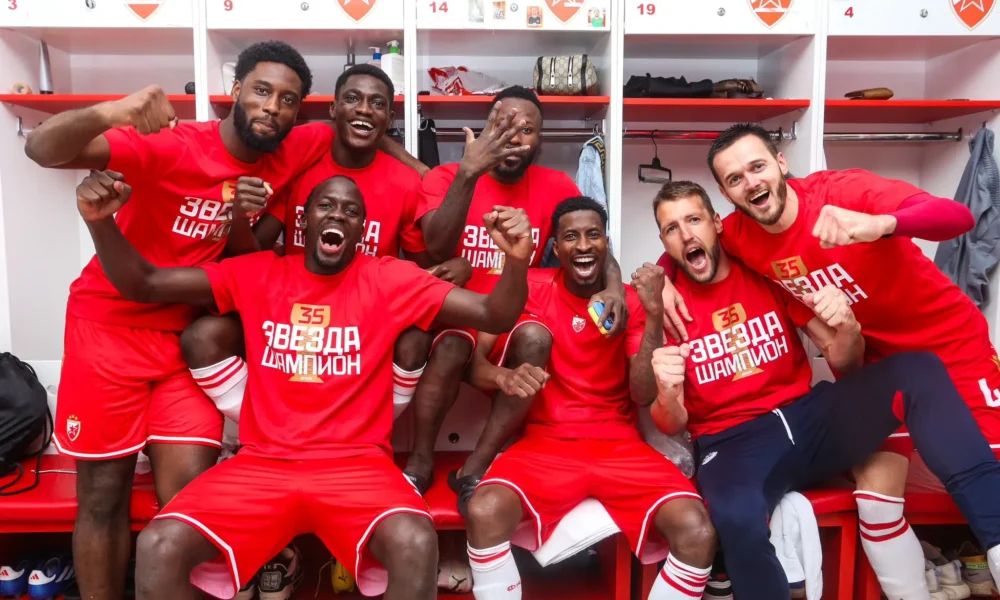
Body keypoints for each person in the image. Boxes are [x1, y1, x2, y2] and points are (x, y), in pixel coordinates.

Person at [74, 170, 537, 600]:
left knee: (416, 540)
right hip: (264, 462)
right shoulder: (259, 271)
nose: (338, 215)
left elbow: (494, 314)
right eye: (326, 206)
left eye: (351, 211)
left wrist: (516, 260)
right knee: (160, 544)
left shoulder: (389, 278)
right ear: (304, 219)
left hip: (356, 465)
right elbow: (144, 282)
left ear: (362, 230)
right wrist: (101, 224)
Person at [23, 41, 334, 600]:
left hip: (182, 345)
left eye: (289, 100)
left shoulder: (292, 149)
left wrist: (448, 171)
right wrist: (114, 111)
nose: (273, 107)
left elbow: (363, 130)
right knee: (102, 494)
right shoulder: (172, 146)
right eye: (262, 91)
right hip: (107, 328)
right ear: (235, 91)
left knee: (190, 493)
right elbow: (42, 149)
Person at [672, 121, 999, 596]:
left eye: (757, 166)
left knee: (985, 479)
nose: (751, 183)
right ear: (726, 194)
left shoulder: (843, 193)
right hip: (883, 369)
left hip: (951, 350)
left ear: (781, 164)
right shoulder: (740, 235)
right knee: (876, 499)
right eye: (735, 179)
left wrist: (881, 224)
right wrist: (659, 278)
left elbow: (957, 218)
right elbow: (686, 249)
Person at [178, 63, 469, 455]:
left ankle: (365, 432)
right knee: (203, 334)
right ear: (333, 110)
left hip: (359, 324)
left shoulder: (404, 181)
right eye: (352, 100)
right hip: (285, 317)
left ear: (389, 117)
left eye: (377, 104)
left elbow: (420, 263)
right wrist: (239, 221)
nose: (364, 110)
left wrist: (456, 267)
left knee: (417, 336)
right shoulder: (304, 165)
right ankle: (263, 429)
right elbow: (254, 256)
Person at [463, 196, 718, 600]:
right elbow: (474, 364)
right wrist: (505, 376)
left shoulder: (631, 300)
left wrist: (652, 315)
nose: (583, 245)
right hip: (547, 442)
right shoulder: (532, 288)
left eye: (593, 235)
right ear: (555, 247)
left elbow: (642, 392)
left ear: (606, 242)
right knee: (483, 511)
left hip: (619, 444)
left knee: (698, 531)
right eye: (571, 237)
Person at [405, 85, 628, 511]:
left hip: (514, 311)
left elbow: (597, 246)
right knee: (453, 346)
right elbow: (435, 246)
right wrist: (469, 173)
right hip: (459, 315)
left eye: (527, 130)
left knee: (537, 340)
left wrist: (613, 286)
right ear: (488, 126)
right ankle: (420, 462)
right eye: (504, 125)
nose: (514, 137)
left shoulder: (555, 184)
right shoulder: (445, 177)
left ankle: (475, 467)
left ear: (540, 140)